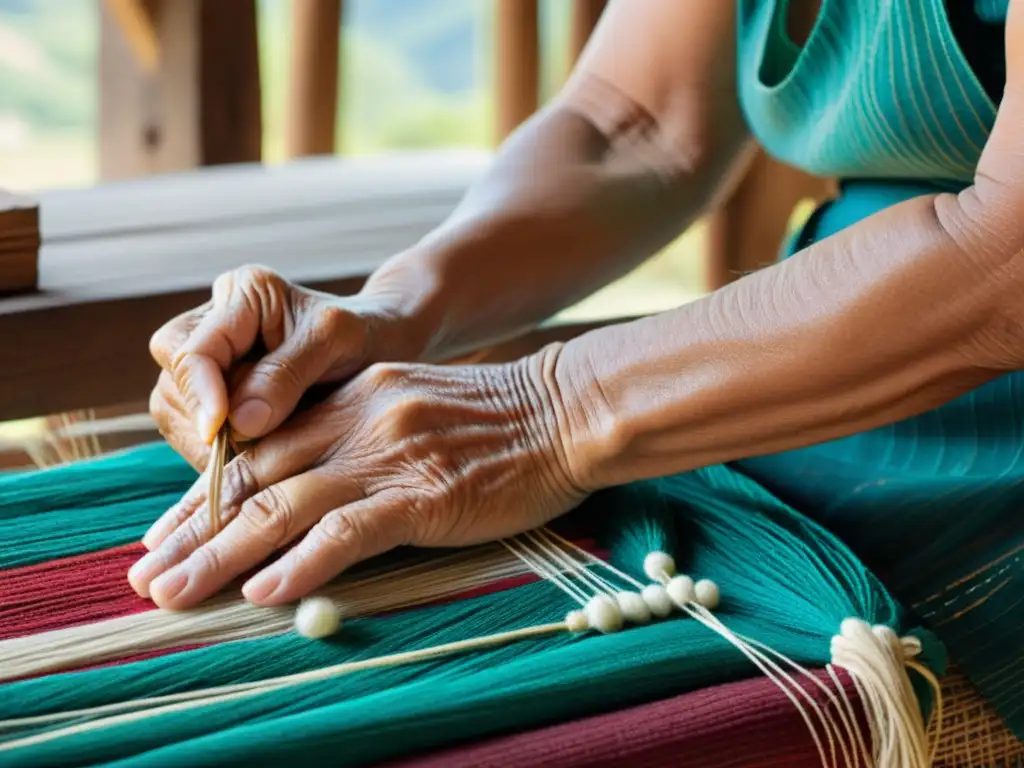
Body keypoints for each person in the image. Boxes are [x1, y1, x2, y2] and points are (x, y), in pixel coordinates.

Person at [129, 0, 1021, 632]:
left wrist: (547, 411)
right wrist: (392, 311)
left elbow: (1004, 259)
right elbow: (634, 121)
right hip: (811, 369)